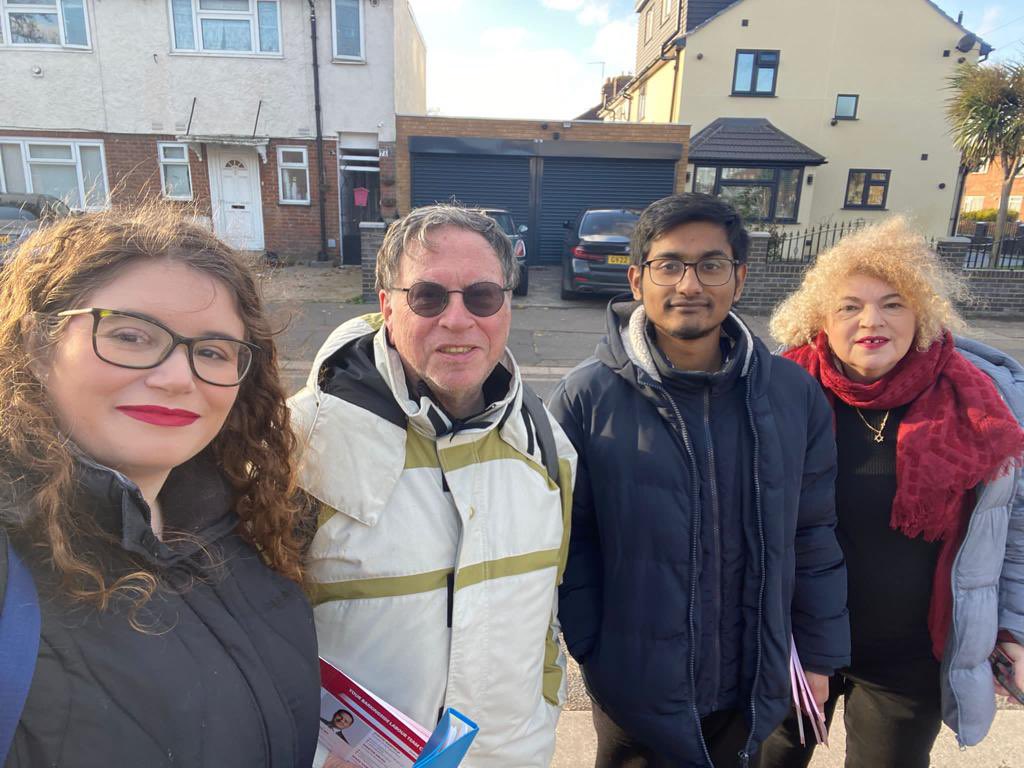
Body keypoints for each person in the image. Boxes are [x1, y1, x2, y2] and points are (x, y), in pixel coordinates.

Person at [0, 206, 320, 768]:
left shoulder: (244, 529)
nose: (177, 378)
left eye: (214, 352)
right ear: (35, 343)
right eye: (130, 335)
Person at [549, 193, 850, 767]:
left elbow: (812, 536)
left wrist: (818, 658)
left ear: (738, 279)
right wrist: (596, 650)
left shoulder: (791, 395)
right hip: (634, 694)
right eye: (669, 265)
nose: (689, 284)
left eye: (711, 265)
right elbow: (569, 542)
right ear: (637, 279)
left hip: (748, 687)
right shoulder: (584, 399)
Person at [289, 204, 576, 768]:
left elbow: (549, 610)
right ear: (386, 307)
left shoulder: (549, 444)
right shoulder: (301, 441)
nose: (458, 319)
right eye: (428, 297)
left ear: (507, 308)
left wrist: (544, 707)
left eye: (482, 296)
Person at [759, 216, 1024, 767]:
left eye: (894, 303)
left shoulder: (984, 399)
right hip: (794, 644)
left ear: (923, 311)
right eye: (849, 306)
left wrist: (1012, 628)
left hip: (909, 662)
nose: (871, 321)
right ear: (820, 320)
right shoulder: (777, 391)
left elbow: (1014, 527)